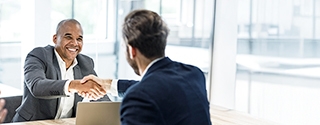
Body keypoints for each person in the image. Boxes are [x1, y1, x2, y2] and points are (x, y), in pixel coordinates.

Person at [81, 9, 212, 124]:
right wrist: (107, 84)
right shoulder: (194, 74)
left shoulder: (138, 98)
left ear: (132, 51)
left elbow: (148, 91)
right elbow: (157, 89)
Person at [12, 19, 108, 122]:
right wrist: (74, 85)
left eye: (79, 39)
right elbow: (37, 86)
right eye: (68, 37)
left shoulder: (85, 63)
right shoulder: (39, 55)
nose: (75, 43)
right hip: (32, 122)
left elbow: (101, 96)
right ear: (55, 39)